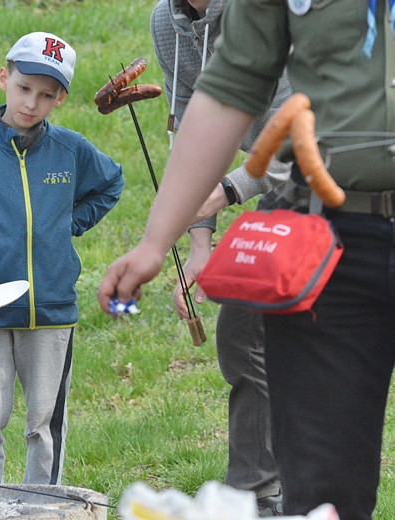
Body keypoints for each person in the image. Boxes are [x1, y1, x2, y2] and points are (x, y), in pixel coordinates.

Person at [99, 0, 393, 518]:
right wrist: (157, 241)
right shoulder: (174, 23)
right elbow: (229, 88)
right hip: (330, 242)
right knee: (324, 497)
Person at [0, 32, 124, 485]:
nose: (31, 103)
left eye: (46, 95)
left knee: (44, 426)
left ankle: (44, 507)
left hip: (52, 312)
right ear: (4, 78)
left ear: (60, 99)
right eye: (23, 88)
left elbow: (111, 183)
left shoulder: (71, 150)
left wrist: (70, 222)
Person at [150, 0, 292, 514]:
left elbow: (304, 135)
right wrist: (199, 244)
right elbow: (192, 132)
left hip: (342, 175)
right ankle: (260, 492)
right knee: (244, 328)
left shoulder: (271, 10)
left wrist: (227, 190)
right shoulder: (167, 22)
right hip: (279, 187)